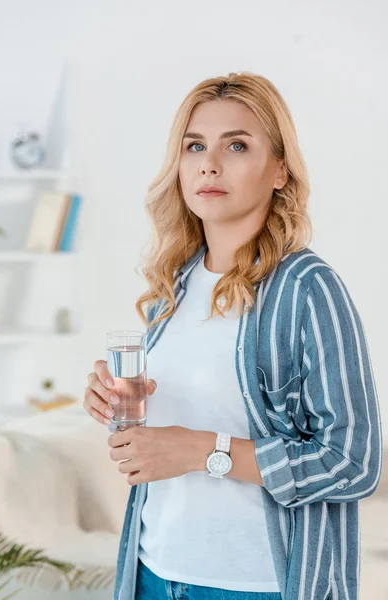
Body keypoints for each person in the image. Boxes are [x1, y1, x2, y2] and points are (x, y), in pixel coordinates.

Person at [83, 72, 383, 600]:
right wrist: (113, 403)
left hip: (255, 584)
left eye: (237, 145)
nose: (209, 164)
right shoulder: (171, 285)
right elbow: (185, 418)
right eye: (194, 145)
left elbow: (353, 464)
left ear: (280, 172)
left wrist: (202, 451)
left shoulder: (308, 288)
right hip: (153, 570)